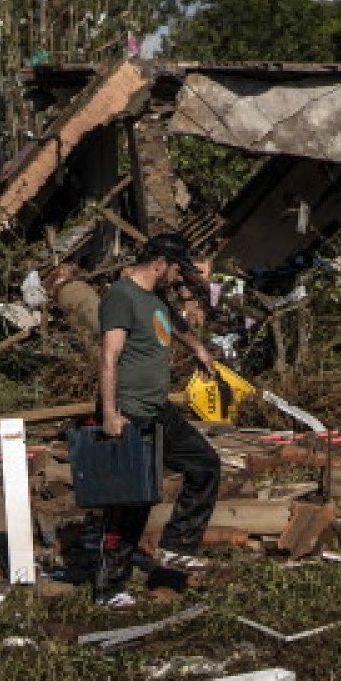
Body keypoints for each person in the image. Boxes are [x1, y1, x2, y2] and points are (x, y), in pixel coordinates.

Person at [93, 232, 222, 604]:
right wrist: (110, 413)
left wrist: (199, 349)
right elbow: (109, 357)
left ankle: (178, 546)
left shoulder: (155, 298)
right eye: (177, 270)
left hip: (157, 408)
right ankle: (109, 587)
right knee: (133, 500)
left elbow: (174, 325)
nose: (180, 278)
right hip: (129, 411)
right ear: (160, 264)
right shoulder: (121, 296)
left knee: (205, 466)